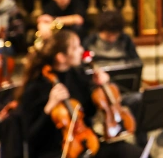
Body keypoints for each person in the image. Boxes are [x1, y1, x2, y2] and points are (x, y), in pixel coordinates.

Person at [17, 29, 143, 158]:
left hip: (86, 143)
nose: (82, 51)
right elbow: (30, 136)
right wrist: (49, 106)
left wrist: (99, 88)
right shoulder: (35, 87)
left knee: (134, 153)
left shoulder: (76, 74)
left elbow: (88, 113)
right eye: (76, 48)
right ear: (61, 57)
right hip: (54, 151)